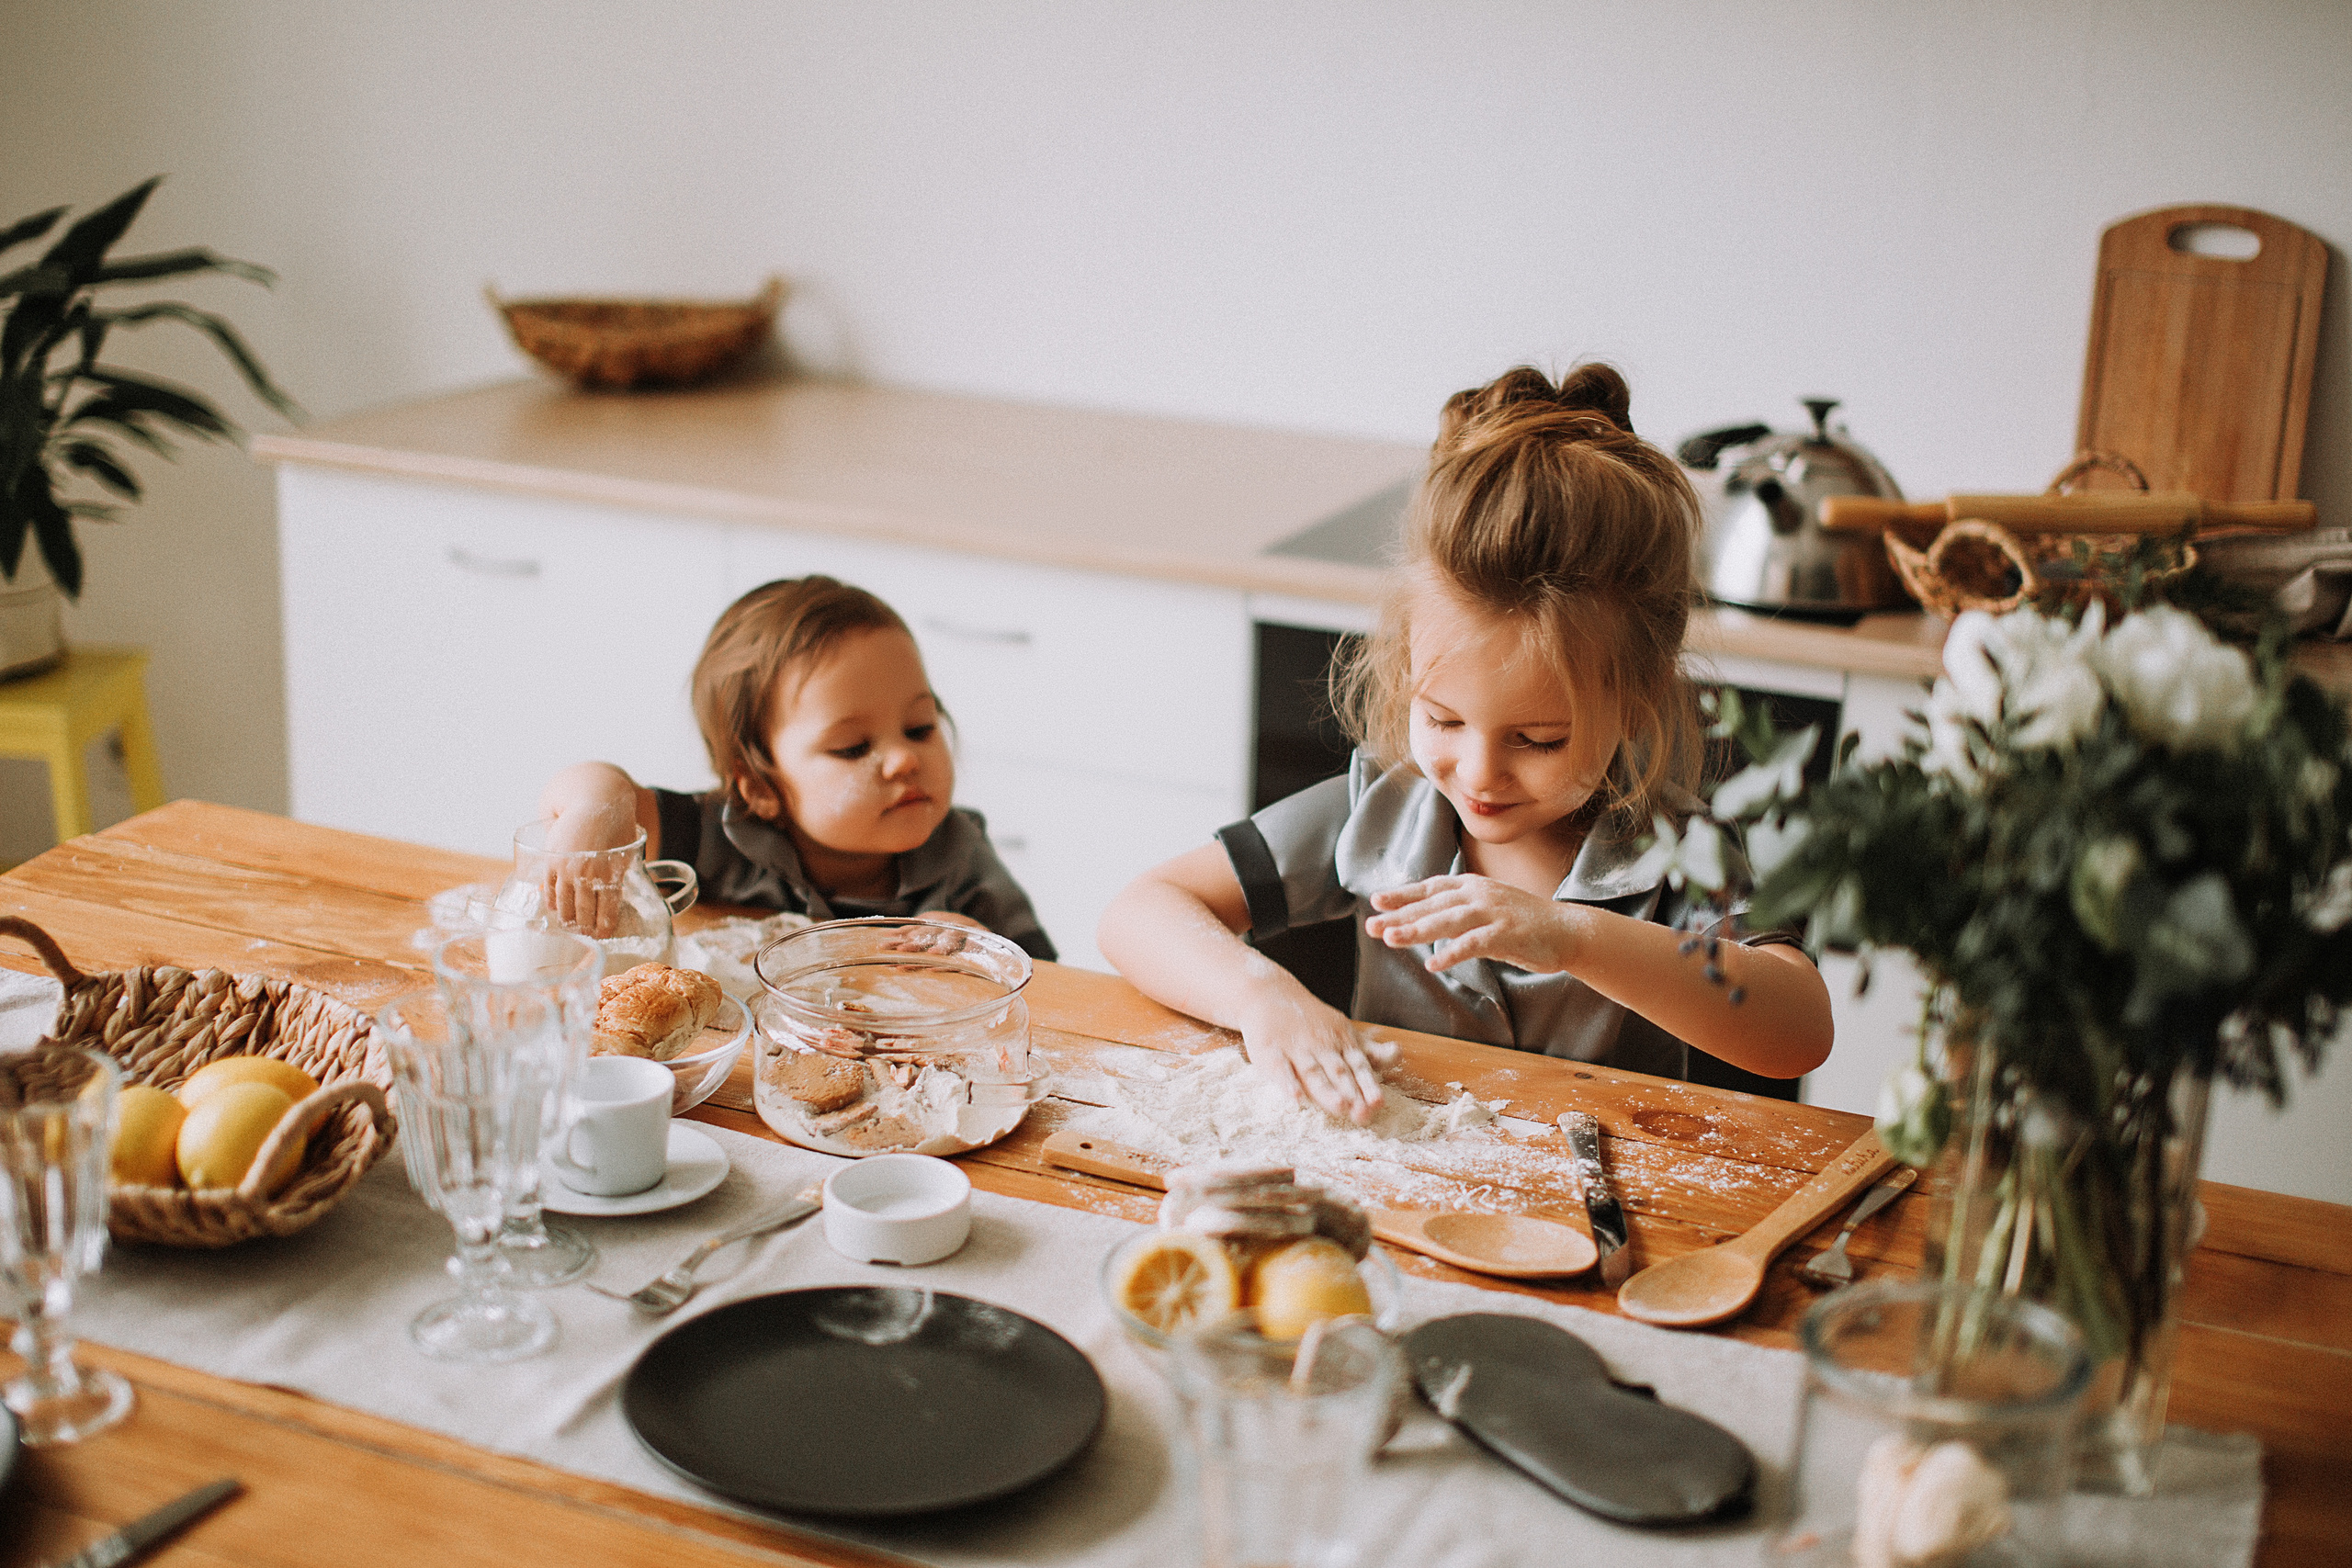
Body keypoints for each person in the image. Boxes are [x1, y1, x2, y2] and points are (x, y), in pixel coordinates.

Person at [1097, 364, 1831, 1124]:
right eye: (1444, 721)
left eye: (1538, 739)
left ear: (1635, 704)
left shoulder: (1677, 853)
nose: (1479, 772)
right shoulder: (1378, 810)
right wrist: (1261, 996)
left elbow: (1801, 1029)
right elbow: (1139, 910)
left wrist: (1577, 939)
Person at [537, 576, 1054, 959]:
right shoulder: (716, 836)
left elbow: (1051, 984)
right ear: (760, 787)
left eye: (919, 728)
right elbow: (602, 789)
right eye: (853, 747)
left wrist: (978, 947)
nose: (904, 759)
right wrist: (599, 808)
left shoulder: (960, 859)